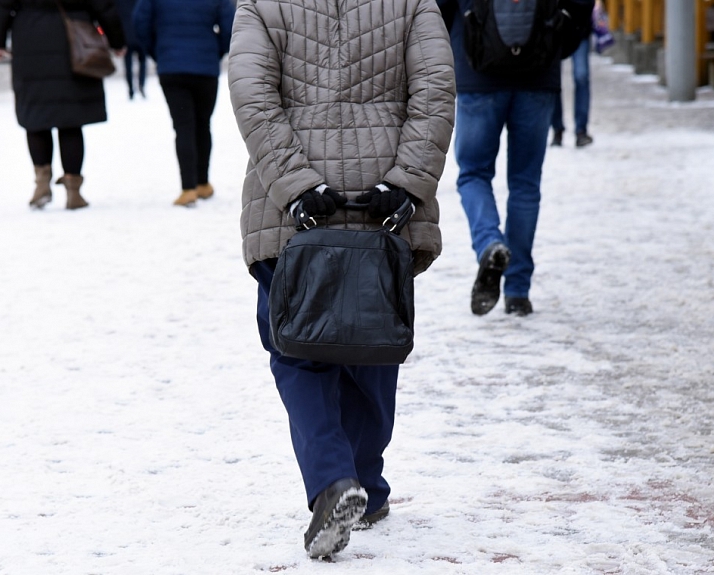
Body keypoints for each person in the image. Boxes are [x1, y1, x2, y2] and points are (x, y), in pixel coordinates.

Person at [228, 0, 455, 560]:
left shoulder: (259, 5)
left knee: (297, 348)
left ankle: (335, 481)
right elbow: (435, 92)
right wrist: (407, 183)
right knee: (371, 346)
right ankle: (367, 486)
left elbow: (255, 98)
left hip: (290, 214)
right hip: (384, 206)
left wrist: (296, 185)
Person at [439, 0, 592, 317]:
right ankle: (518, 291)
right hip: (538, 73)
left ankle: (489, 244)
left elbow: (437, 7)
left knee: (473, 174)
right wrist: (556, 44)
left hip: (476, 71)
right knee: (525, 185)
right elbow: (580, 5)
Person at [0, 0, 125, 210]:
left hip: (29, 38)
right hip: (74, 41)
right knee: (71, 119)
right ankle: (74, 191)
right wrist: (117, 41)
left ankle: (41, 185)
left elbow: (2, 5)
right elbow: (103, 5)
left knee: (36, 116)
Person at [133, 0, 234, 207]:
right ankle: (203, 183)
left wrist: (158, 50)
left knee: (183, 127)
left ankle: (188, 189)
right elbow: (230, 25)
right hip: (205, 66)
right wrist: (216, 51)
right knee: (203, 124)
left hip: (171, 67)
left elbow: (139, 22)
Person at [551, 26, 594, 147]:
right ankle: (557, 128)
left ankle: (581, 131)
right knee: (553, 80)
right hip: (554, 30)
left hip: (579, 29)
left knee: (581, 77)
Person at [116, 0, 147, 100]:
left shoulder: (119, 2)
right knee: (142, 62)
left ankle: (130, 89)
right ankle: (141, 84)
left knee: (128, 65)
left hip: (126, 36)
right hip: (140, 35)